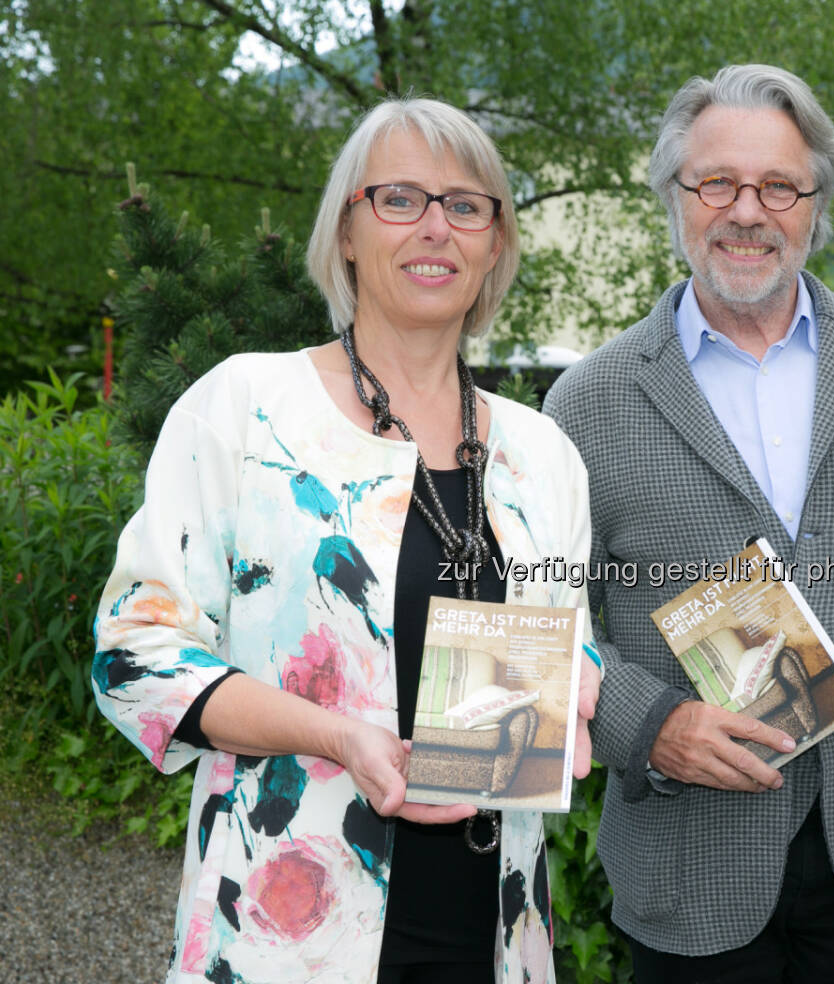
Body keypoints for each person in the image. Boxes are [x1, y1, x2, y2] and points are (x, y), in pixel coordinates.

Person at [92, 97, 598, 984]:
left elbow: (569, 635)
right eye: (400, 198)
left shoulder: (544, 455)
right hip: (288, 926)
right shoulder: (245, 408)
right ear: (348, 232)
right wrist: (336, 735)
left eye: (466, 205)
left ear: (494, 244)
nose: (436, 227)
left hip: (493, 924)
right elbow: (135, 653)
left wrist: (580, 697)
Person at [544, 64, 834, 982]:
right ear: (673, 197)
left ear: (817, 204)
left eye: (779, 186)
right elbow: (542, 620)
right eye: (717, 183)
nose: (748, 210)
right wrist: (646, 724)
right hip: (689, 864)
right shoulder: (587, 402)